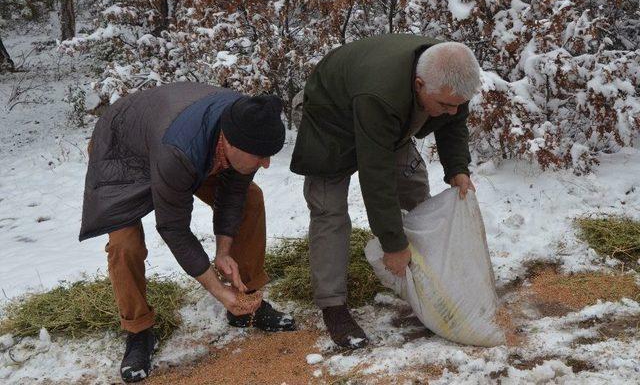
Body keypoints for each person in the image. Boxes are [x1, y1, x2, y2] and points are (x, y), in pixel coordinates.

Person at [79, 83, 296, 383]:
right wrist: (218, 291)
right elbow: (173, 228)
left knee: (250, 199)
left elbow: (233, 195)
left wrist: (223, 252)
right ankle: (138, 330)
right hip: (123, 151)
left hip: (177, 138)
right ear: (231, 144)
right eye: (261, 156)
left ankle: (247, 302)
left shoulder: (249, 123)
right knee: (124, 244)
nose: (267, 164)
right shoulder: (179, 152)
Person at [290, 34, 481, 349]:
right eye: (445, 105)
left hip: (387, 116)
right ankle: (333, 306)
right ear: (420, 85)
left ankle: (429, 283)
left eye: (456, 104)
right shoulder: (382, 94)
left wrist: (457, 169)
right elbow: (375, 173)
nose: (451, 110)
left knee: (415, 189)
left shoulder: (451, 74)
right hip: (330, 122)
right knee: (329, 211)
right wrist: (392, 244)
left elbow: (454, 123)